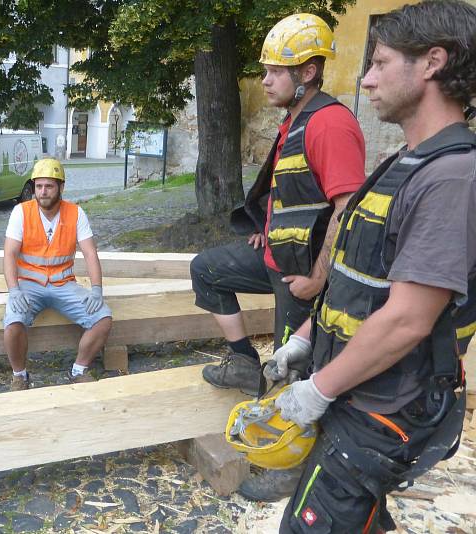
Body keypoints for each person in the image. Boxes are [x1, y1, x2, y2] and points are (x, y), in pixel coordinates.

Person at [265, 2, 476, 531]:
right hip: (361, 387)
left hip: (388, 404)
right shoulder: (405, 162)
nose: (366, 79)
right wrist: (307, 339)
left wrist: (318, 389)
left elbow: (407, 318)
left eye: (380, 62)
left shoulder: (451, 178)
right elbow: (359, 281)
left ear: (431, 62)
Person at [190, 13, 366, 500]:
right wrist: (266, 231)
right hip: (275, 260)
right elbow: (293, 194)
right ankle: (243, 363)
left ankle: (295, 465)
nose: (264, 79)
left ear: (307, 72)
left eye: (274, 70)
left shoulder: (330, 123)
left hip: (304, 277)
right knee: (206, 269)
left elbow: (346, 212)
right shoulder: (295, 120)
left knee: (295, 368)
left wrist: (317, 279)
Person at [2, 158, 112, 390]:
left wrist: (96, 290)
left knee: (102, 318)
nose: (43, 192)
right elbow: (10, 254)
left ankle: (78, 370)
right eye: (39, 186)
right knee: (13, 322)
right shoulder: (21, 212)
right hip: (29, 284)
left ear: (61, 187)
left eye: (49, 186)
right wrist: (13, 290)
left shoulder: (75, 213)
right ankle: (20, 375)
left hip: (64, 284)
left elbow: (90, 253)